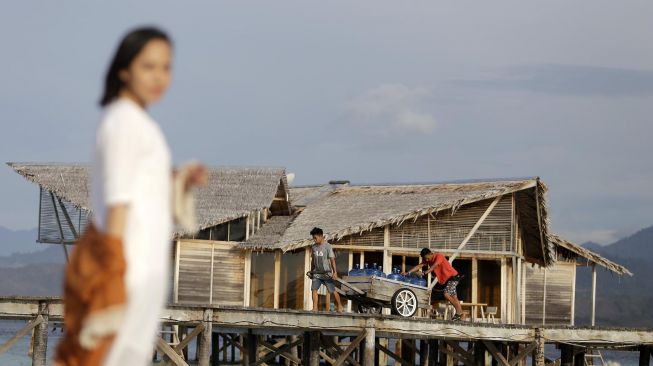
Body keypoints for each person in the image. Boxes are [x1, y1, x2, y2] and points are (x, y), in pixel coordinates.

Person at [56, 27, 206, 366]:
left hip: (143, 268)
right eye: (148, 66)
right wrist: (112, 275)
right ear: (124, 69)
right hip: (128, 269)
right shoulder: (124, 121)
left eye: (166, 67)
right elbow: (118, 202)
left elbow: (146, 202)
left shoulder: (140, 123)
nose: (159, 76)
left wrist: (180, 183)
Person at [403, 248, 464, 321]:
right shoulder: (427, 259)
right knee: (454, 297)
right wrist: (408, 272)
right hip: (448, 279)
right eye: (426, 259)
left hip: (453, 277)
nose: (427, 260)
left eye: (427, 258)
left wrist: (423, 273)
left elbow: (434, 266)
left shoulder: (439, 256)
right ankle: (461, 315)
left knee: (446, 294)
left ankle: (458, 312)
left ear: (430, 254)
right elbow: (419, 266)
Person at [309, 227, 345, 312]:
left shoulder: (327, 246)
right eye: (313, 238)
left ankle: (340, 306)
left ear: (321, 236)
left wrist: (335, 272)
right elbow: (313, 260)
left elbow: (332, 260)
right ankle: (315, 308)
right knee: (314, 289)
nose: (314, 240)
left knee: (332, 290)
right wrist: (311, 271)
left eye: (315, 238)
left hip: (326, 273)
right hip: (317, 273)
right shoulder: (313, 247)